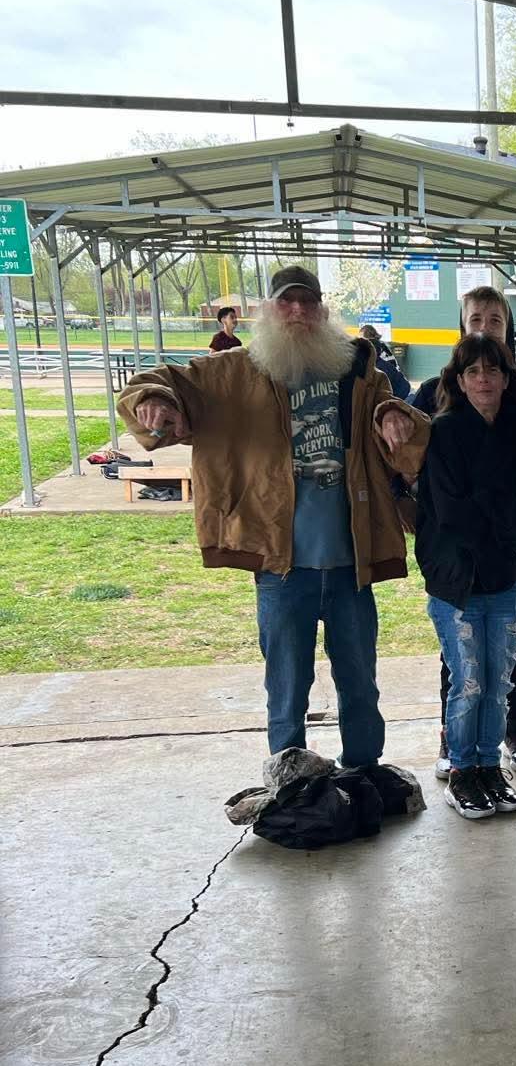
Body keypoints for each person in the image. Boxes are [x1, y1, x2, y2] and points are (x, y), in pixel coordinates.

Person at [118, 265, 428, 771]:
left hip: (352, 561)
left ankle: (365, 774)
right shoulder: (233, 371)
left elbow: (391, 410)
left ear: (324, 311)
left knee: (360, 682)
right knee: (286, 686)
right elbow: (158, 380)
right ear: (267, 310)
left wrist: (394, 416)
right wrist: (153, 400)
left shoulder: (354, 368)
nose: (299, 312)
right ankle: (289, 781)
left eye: (309, 302)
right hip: (281, 566)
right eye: (288, 302)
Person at [413, 284, 516, 777]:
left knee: (503, 665)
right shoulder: (435, 410)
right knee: (464, 672)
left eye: (495, 321)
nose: (485, 329)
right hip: (456, 570)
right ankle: (459, 753)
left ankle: (505, 741)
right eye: (476, 320)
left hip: (510, 563)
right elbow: (446, 503)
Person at [358, 324, 412, 399]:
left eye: (361, 338)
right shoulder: (381, 345)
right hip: (398, 381)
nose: (360, 340)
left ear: (368, 336)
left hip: (395, 384)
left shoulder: (374, 348)